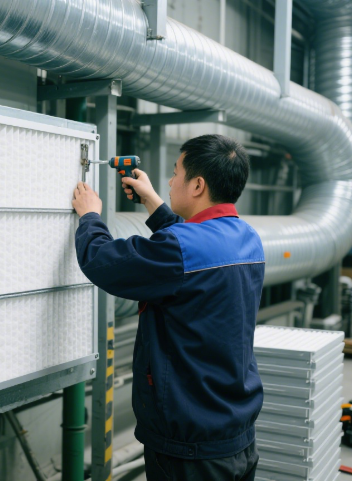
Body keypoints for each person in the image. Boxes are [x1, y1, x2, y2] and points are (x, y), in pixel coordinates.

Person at [72, 134, 265, 481]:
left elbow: (103, 261)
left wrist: (90, 216)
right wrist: (153, 202)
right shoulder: (248, 237)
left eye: (176, 173)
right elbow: (193, 250)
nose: (170, 181)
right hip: (237, 435)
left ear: (198, 185)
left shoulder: (178, 249)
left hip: (189, 450)